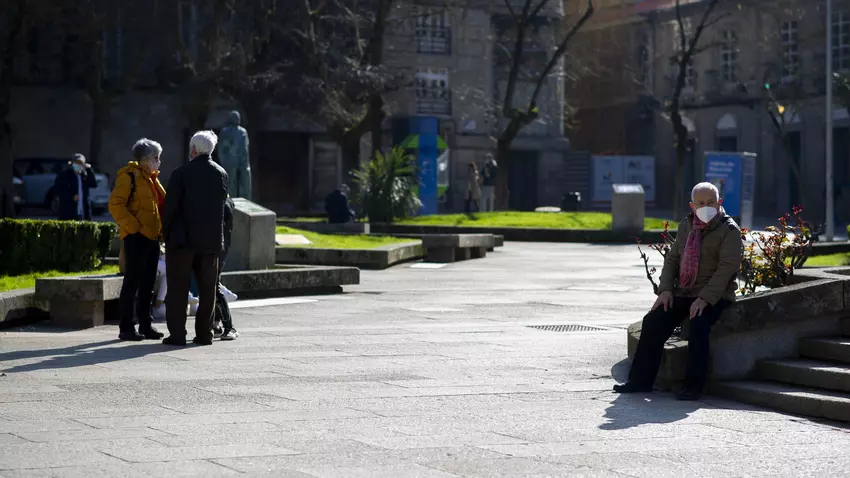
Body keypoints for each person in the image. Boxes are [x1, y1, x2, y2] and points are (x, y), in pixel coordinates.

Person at [614, 182, 743, 401]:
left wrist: (705, 298)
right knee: (653, 320)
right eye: (700, 203)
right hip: (684, 291)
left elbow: (727, 269)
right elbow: (673, 259)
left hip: (716, 295)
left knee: (699, 324)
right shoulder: (687, 225)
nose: (706, 207)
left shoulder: (729, 230)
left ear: (719, 203)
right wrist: (665, 290)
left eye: (710, 202)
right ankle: (640, 381)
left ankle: (693, 386)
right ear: (692, 206)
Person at [161, 130, 228, 346]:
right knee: (208, 290)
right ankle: (205, 334)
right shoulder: (220, 173)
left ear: (193, 150)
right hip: (210, 241)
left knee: (178, 289)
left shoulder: (180, 173)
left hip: (182, 241)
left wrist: (165, 233)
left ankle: (177, 334)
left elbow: (170, 208)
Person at [108, 139, 166, 341]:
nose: (159, 161)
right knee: (132, 283)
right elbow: (115, 204)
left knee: (148, 284)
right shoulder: (129, 176)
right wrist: (134, 228)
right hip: (136, 238)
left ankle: (145, 325)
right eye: (156, 157)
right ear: (146, 159)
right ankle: (126, 327)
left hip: (152, 238)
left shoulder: (151, 178)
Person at [213, 195, 239, 340]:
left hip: (218, 249)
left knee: (214, 286)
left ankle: (229, 326)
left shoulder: (224, 201)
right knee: (210, 287)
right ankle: (216, 324)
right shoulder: (222, 198)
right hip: (215, 247)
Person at [218, 110, 252, 199]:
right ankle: (229, 199)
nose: (237, 119)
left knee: (242, 183)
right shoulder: (226, 131)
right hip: (231, 161)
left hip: (239, 161)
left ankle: (242, 199)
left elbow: (245, 147)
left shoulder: (242, 131)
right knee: (231, 184)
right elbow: (222, 147)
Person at [54, 153, 98, 221]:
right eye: (76, 163)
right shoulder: (65, 175)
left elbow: (94, 184)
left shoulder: (84, 176)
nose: (78, 165)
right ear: (72, 164)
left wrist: (89, 169)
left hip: (82, 211)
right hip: (69, 212)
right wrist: (71, 197)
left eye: (80, 163)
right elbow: (59, 190)